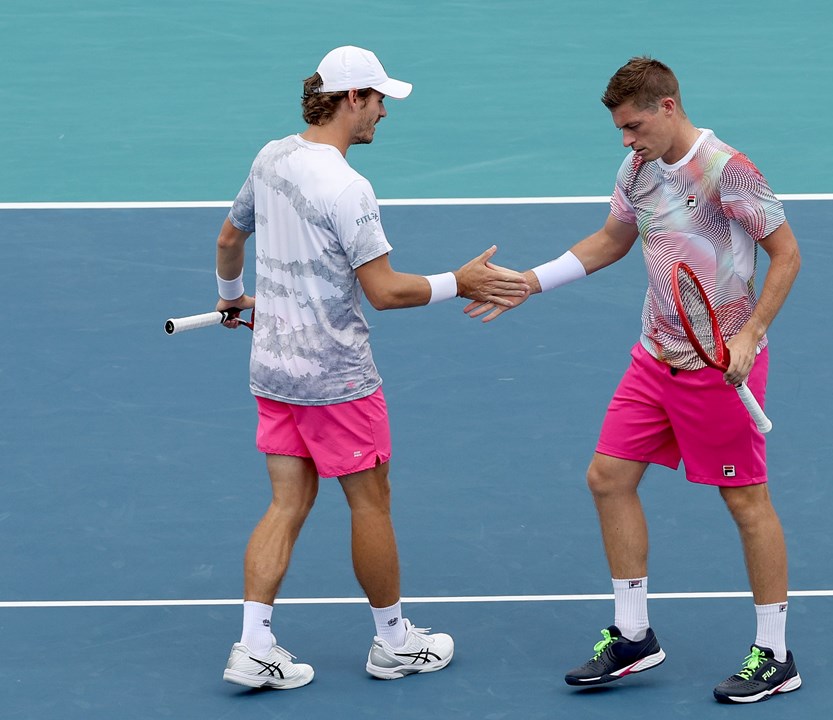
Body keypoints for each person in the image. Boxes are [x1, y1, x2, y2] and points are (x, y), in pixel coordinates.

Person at [466, 56, 802, 704]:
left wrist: (750, 333)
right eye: (620, 129)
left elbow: (786, 254)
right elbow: (610, 241)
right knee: (608, 477)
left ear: (668, 107)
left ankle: (776, 653)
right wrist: (530, 282)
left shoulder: (730, 171)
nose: (626, 139)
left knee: (746, 503)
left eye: (633, 125)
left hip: (718, 367)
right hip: (654, 358)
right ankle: (634, 634)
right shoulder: (638, 170)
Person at [214, 45, 529, 690]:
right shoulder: (348, 187)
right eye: (379, 98)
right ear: (351, 98)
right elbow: (384, 291)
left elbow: (229, 239)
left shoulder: (270, 157)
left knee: (286, 501)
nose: (384, 111)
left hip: (274, 371)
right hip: (336, 381)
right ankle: (392, 642)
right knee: (371, 504)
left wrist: (229, 298)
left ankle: (253, 644)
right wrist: (459, 282)